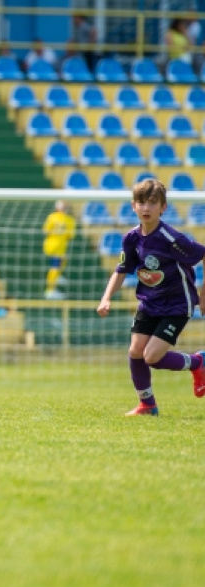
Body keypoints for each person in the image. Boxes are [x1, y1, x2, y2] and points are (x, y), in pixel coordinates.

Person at [97, 178, 205, 417]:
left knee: (152, 357)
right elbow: (122, 270)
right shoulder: (131, 239)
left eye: (153, 203)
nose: (146, 208)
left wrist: (203, 293)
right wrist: (106, 298)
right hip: (150, 301)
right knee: (135, 351)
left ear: (163, 207)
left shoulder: (172, 239)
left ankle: (198, 362)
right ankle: (147, 405)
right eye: (142, 202)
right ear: (133, 205)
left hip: (177, 303)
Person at [42, 200, 76, 300]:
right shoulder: (69, 220)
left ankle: (58, 277)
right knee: (55, 267)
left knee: (62, 260)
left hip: (51, 245)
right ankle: (50, 290)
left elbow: (46, 230)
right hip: (58, 246)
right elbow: (70, 236)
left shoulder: (52, 217)